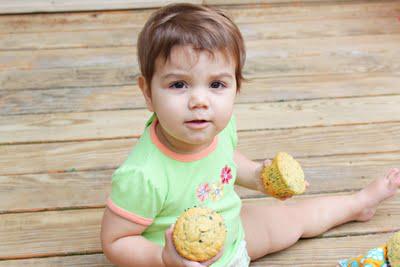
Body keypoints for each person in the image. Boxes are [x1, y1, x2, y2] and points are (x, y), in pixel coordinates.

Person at [100, 3, 400, 267]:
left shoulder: (215, 126)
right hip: (176, 263)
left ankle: (358, 202)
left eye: (216, 84)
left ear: (236, 88)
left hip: (235, 234)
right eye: (179, 85)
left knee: (293, 217)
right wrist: (163, 259)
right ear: (147, 93)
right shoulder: (142, 175)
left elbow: (225, 159)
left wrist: (258, 176)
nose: (199, 101)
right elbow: (116, 243)